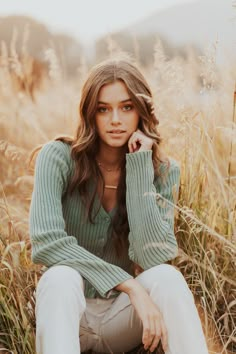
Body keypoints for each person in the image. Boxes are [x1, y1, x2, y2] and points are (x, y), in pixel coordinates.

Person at [29, 58, 209, 354]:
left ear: (141, 111)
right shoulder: (57, 158)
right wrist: (129, 285)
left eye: (126, 107)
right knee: (59, 277)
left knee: (168, 278)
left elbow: (154, 256)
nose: (115, 119)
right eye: (103, 109)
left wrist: (139, 167)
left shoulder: (163, 171)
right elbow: (46, 242)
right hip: (69, 317)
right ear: (90, 113)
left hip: (121, 319)